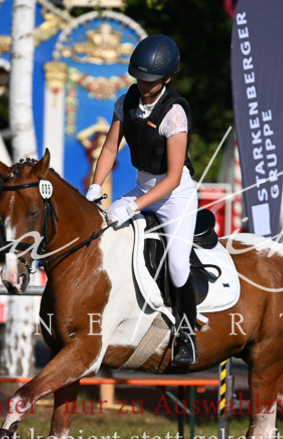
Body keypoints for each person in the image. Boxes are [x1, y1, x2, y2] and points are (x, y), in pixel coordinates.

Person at [86, 34, 200, 367]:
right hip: (142, 186)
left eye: (151, 81)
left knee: (178, 264)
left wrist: (134, 206)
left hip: (174, 194)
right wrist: (96, 186)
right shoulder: (126, 101)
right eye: (139, 79)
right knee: (106, 235)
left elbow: (173, 178)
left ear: (167, 78)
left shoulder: (174, 113)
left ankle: (187, 333)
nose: (144, 86)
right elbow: (110, 148)